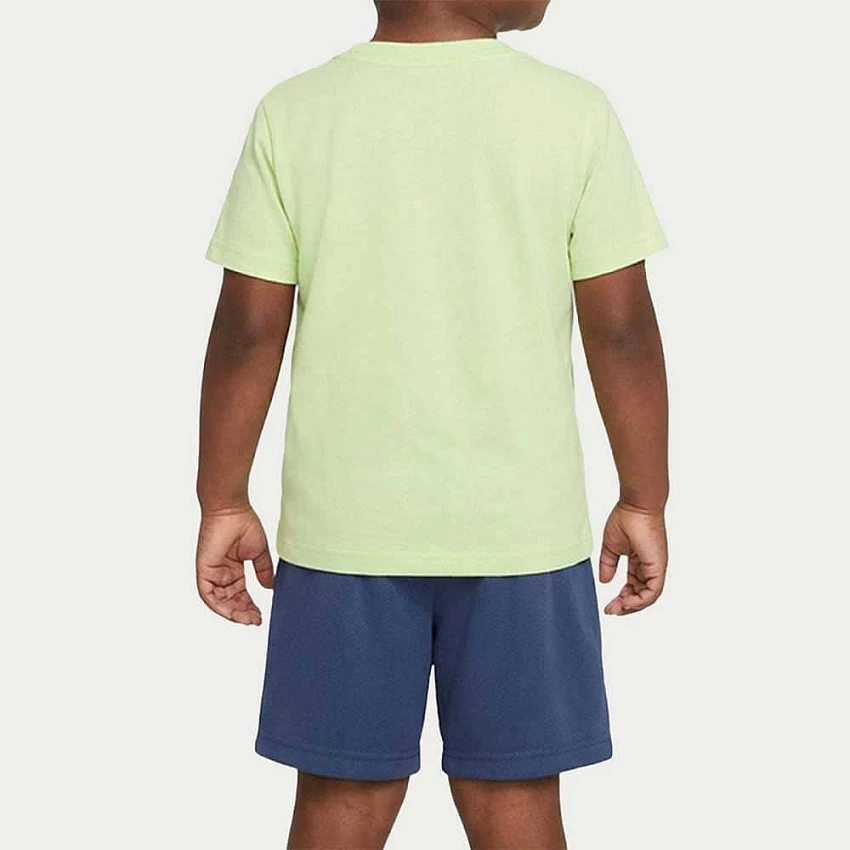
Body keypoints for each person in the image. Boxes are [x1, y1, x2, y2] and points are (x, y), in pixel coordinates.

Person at [196, 1, 669, 846]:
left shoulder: (296, 113)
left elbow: (248, 329)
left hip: (345, 536)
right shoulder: (572, 113)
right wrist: (644, 496)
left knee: (339, 797)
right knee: (517, 797)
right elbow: (622, 328)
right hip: (521, 536)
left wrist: (222, 497)